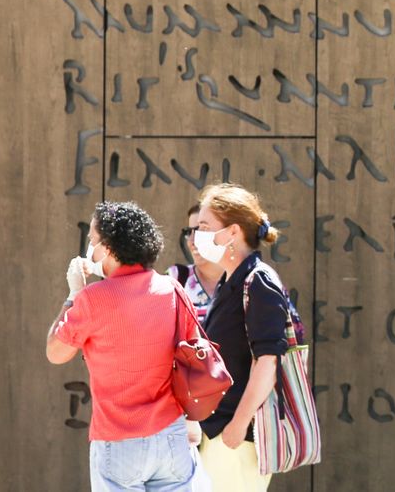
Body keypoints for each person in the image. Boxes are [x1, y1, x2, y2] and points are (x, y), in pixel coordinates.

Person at [47, 201, 198, 491]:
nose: (89, 247)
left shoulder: (92, 299)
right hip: (171, 434)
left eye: (92, 240)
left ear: (109, 248)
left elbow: (56, 352)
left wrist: (73, 294)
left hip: (118, 438)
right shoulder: (172, 289)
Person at [194, 183, 291, 491]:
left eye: (205, 227)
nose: (197, 236)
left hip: (236, 436)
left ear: (232, 232)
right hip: (219, 432)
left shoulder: (258, 281)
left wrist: (238, 424)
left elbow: (268, 362)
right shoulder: (232, 281)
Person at [170, 202, 220, 326]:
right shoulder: (175, 278)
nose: (192, 241)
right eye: (189, 232)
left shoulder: (245, 281)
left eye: (201, 231)